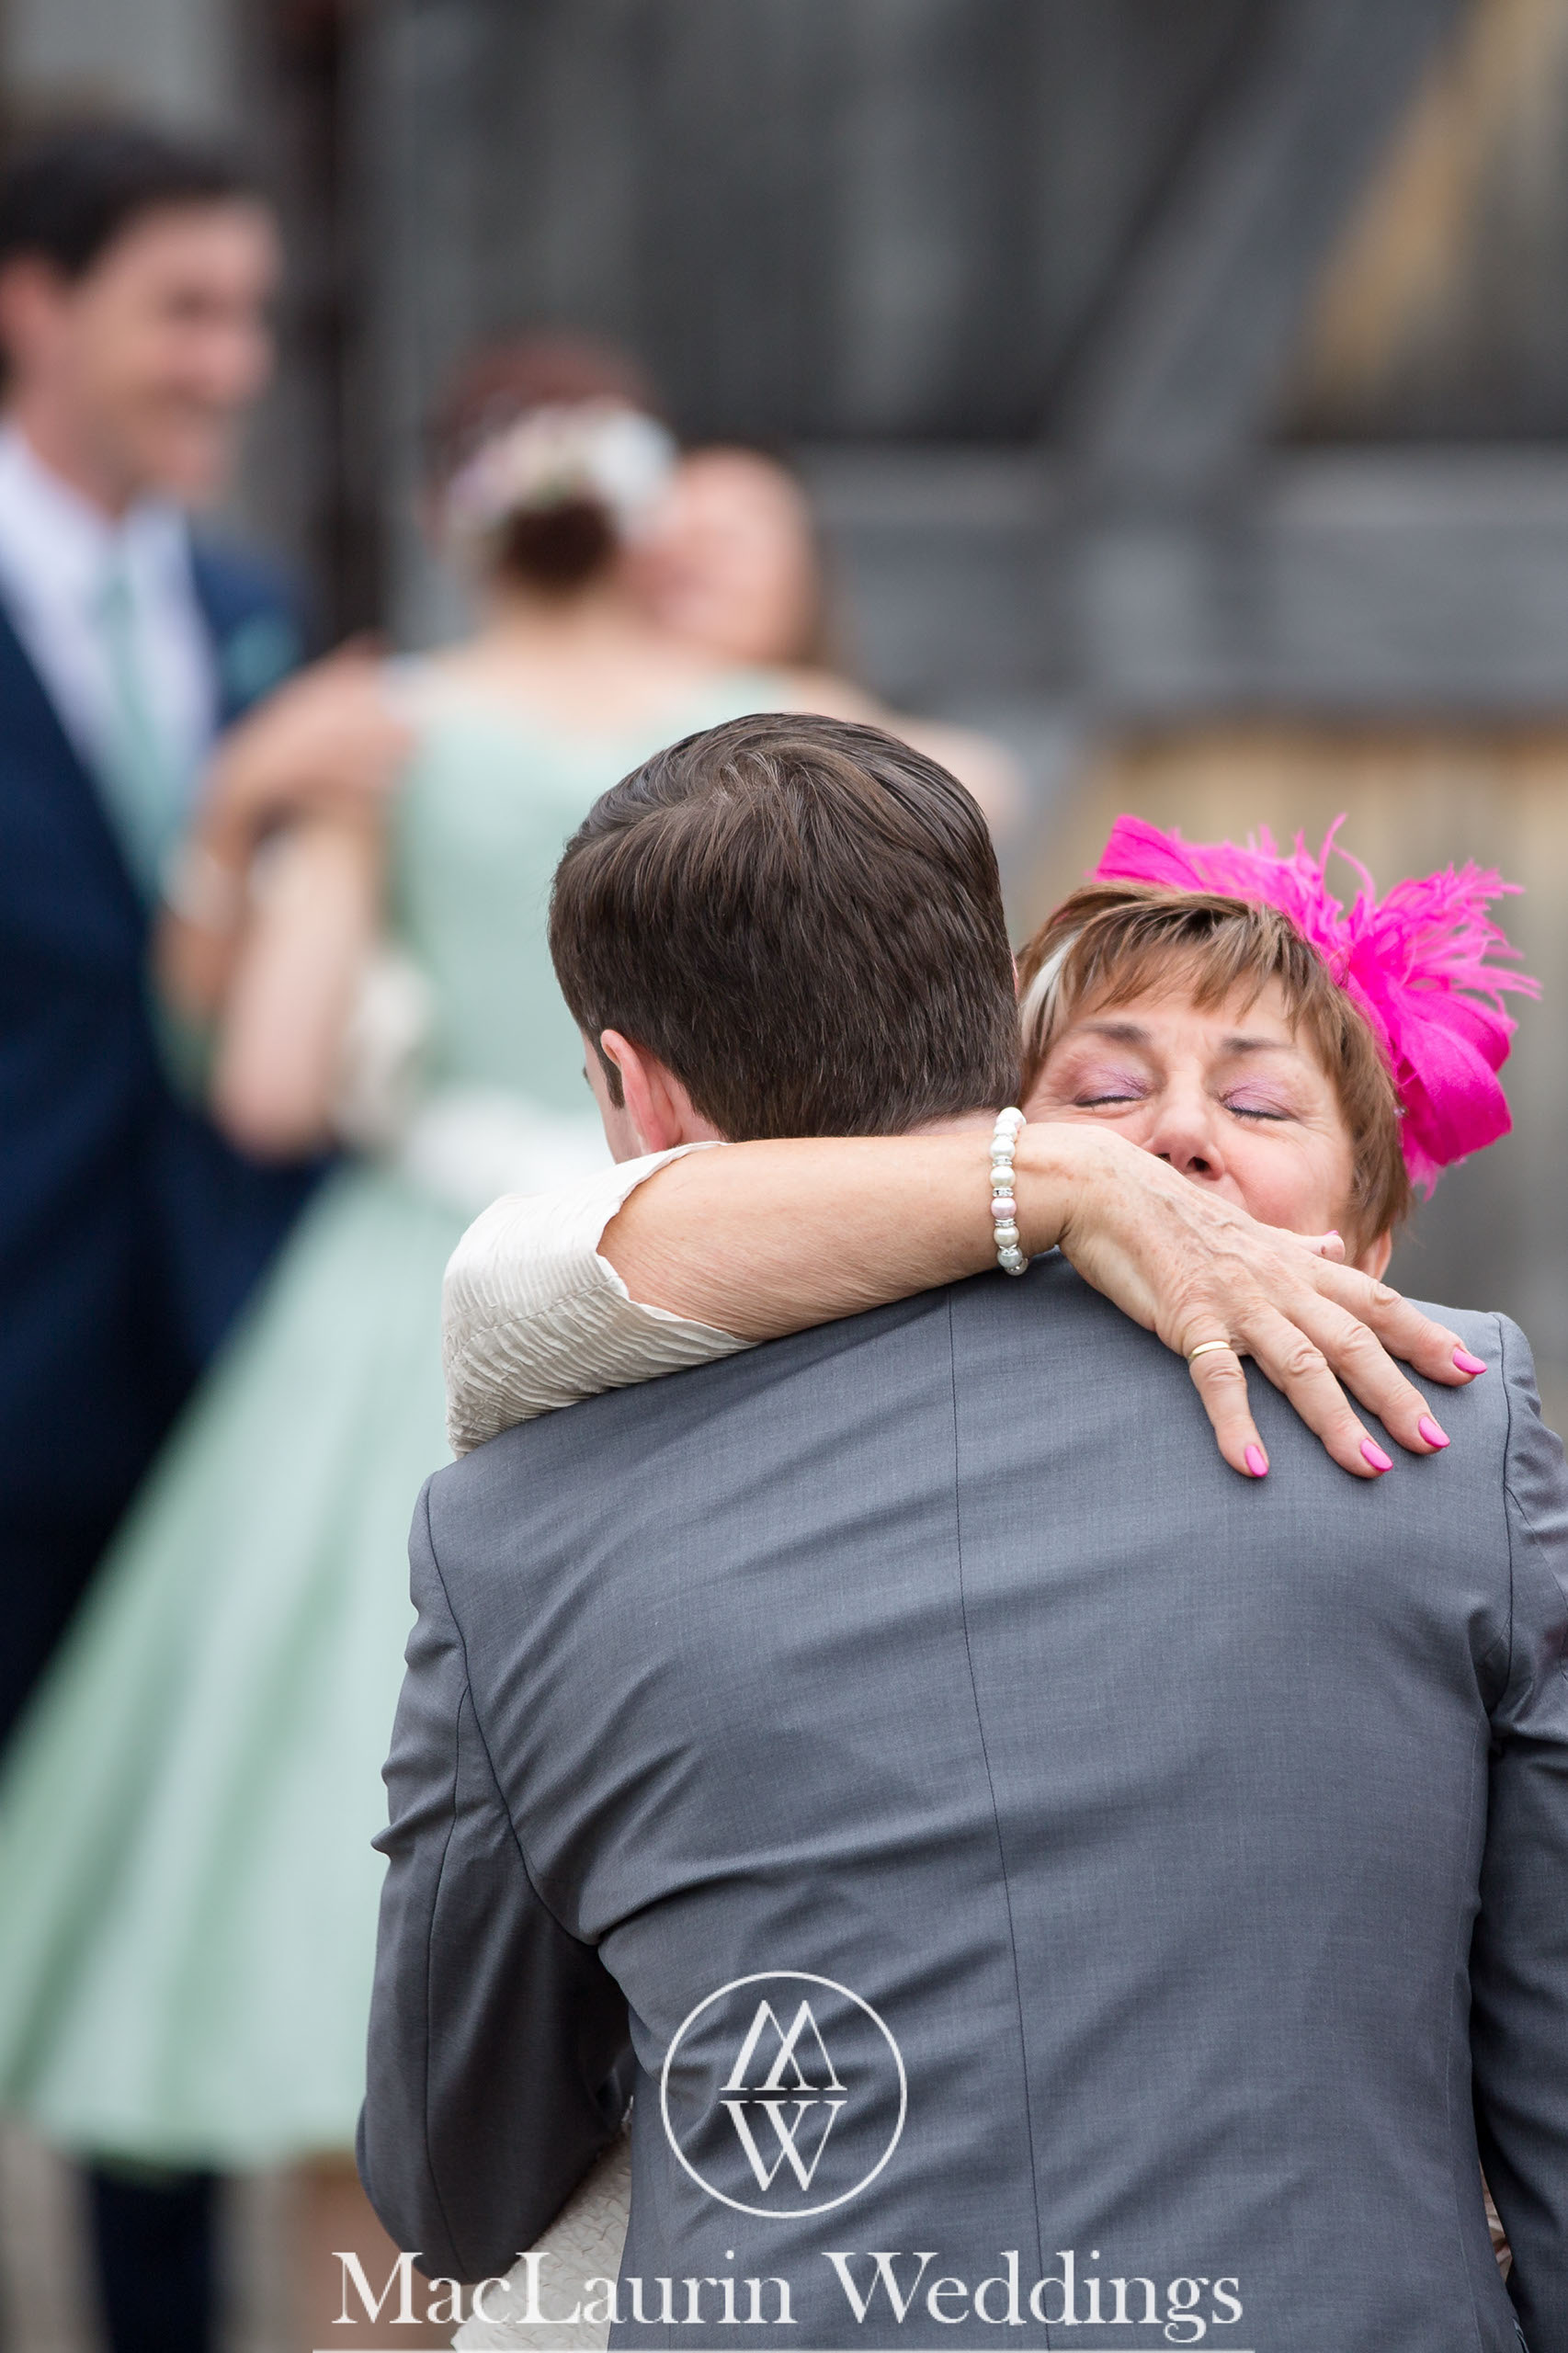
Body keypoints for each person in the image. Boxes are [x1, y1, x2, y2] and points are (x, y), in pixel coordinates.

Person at [362, 719, 1566, 2351]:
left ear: (632, 1089)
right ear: (997, 1050)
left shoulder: (507, 1531)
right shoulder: (1444, 1421)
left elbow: (452, 2183)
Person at [0, 119, 408, 2353]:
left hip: (224, 1372)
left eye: (254, 311)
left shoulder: (250, 606)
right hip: (8, 1352)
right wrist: (245, 806)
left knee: (150, 1914)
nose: (233, 360)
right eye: (188, 306)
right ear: (30, 305)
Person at [637, 440, 1023, 833]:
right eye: (669, 536)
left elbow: (982, 785)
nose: (691, 556)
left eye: (727, 538)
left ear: (807, 575)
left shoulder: (821, 707)